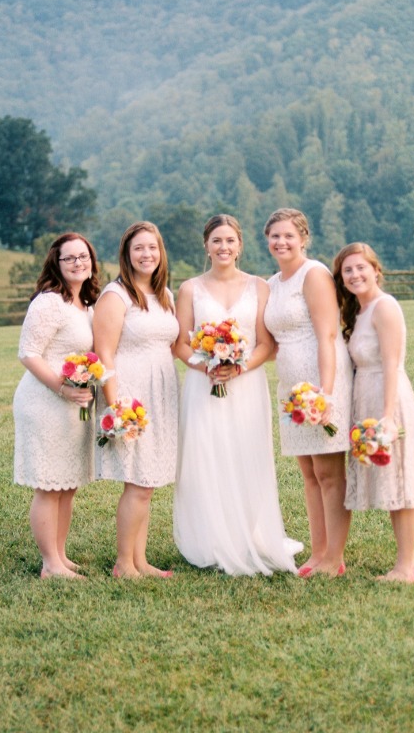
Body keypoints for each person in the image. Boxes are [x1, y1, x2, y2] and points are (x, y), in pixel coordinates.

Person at [173, 214, 301, 576]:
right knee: (206, 458)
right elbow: (180, 343)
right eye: (216, 241)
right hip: (203, 385)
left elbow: (266, 343)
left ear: (240, 245)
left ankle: (250, 535)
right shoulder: (190, 289)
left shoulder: (260, 287)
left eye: (230, 240)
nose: (223, 247)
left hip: (246, 387)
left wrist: (239, 366)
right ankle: (211, 539)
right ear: (206, 246)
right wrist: (206, 365)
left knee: (246, 456)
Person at [333, 242, 414, 583]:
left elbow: (392, 364)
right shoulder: (359, 312)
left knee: (400, 480)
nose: (355, 274)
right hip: (366, 398)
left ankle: (407, 566)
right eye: (348, 270)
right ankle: (403, 563)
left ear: (376, 270)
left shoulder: (385, 307)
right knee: (389, 480)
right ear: (342, 278)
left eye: (361, 267)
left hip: (389, 399)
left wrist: (388, 417)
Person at [263, 208, 352, 578]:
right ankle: (317, 552)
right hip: (290, 388)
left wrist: (325, 393)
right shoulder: (272, 283)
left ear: (303, 238)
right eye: (275, 236)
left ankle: (335, 557)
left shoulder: (313, 275)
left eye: (288, 236)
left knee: (330, 473)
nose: (281, 242)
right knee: (309, 473)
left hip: (320, 381)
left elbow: (327, 335)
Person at [93, 221, 179, 579]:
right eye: (139, 248)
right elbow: (104, 354)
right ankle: (123, 563)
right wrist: (116, 408)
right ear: (127, 255)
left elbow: (172, 348)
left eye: (153, 248)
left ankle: (140, 560)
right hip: (130, 395)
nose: (147, 255)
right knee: (138, 482)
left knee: (149, 481)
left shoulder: (165, 296)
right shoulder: (116, 296)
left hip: (162, 392)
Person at [13, 232, 101, 579]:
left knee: (67, 484)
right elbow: (28, 353)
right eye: (70, 258)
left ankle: (61, 556)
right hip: (44, 403)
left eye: (84, 256)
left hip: (73, 406)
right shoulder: (49, 302)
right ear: (57, 263)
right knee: (49, 486)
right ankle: (50, 563)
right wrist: (62, 389)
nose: (78, 263)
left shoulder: (86, 304)